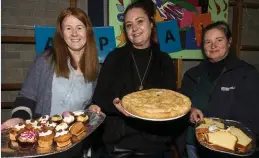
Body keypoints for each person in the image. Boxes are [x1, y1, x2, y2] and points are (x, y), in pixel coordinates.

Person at [88, 0, 187, 158]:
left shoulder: (164, 60)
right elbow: (100, 97)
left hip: (156, 146)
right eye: (128, 25)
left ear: (152, 23)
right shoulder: (114, 57)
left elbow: (169, 102)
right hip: (119, 145)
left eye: (139, 21)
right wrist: (117, 105)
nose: (134, 29)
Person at [1, 7, 99, 157]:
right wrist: (19, 118)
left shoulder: (95, 68)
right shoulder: (46, 60)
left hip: (74, 144)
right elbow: (27, 96)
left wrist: (92, 107)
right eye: (68, 28)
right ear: (61, 33)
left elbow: (87, 106)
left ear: (88, 31)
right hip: (43, 143)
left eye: (79, 27)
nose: (74, 33)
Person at [180, 21, 259, 158]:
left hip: (226, 151)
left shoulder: (246, 74)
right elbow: (182, 102)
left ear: (229, 42)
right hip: (193, 146)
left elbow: (252, 120)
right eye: (208, 42)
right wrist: (190, 110)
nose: (213, 46)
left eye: (219, 40)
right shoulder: (192, 74)